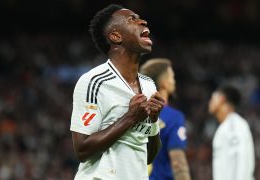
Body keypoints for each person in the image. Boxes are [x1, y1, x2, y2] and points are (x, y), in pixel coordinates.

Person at [70, 4, 165, 180]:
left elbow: (149, 157)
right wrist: (129, 118)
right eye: (132, 19)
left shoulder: (149, 85)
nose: (143, 21)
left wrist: (153, 121)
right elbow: (82, 150)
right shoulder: (94, 81)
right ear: (116, 36)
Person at [140, 58, 191, 180]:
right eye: (172, 77)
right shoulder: (173, 117)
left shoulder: (135, 113)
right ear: (164, 82)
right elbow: (178, 164)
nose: (174, 82)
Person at [208, 85, 255, 180]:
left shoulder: (233, 124)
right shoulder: (226, 126)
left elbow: (238, 159)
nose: (210, 102)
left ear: (221, 99)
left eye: (213, 97)